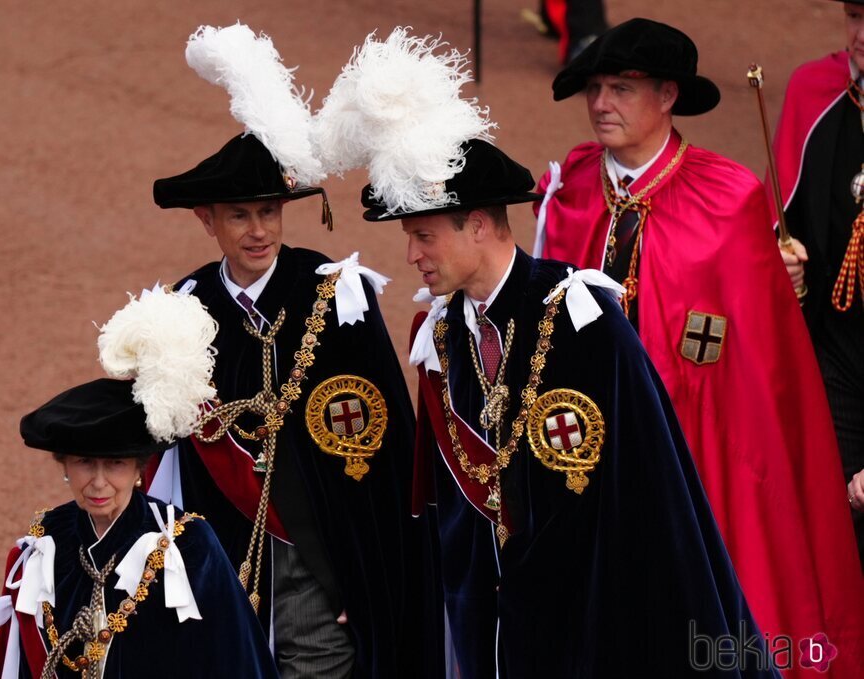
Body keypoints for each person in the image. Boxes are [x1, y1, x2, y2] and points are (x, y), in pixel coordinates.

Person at [318, 26, 781, 678]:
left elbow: (657, 496)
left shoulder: (584, 321)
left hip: (591, 630)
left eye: (423, 235)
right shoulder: (441, 339)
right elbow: (446, 507)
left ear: (478, 224)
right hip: (490, 632)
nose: (412, 256)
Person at [535, 17, 864, 674]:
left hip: (703, 462)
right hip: (585, 455)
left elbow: (769, 378)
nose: (601, 104)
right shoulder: (568, 192)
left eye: (622, 88)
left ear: (668, 96)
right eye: (595, 87)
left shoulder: (729, 199)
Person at [147, 24, 440, 679]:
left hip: (320, 552)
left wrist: (366, 570)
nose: (259, 231)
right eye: (240, 216)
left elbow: (384, 440)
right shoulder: (184, 307)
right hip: (223, 553)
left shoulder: (337, 294)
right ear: (208, 220)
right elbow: (162, 457)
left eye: (270, 212)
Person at [0, 378, 278, 679]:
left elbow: (235, 659)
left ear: (139, 467)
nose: (98, 483)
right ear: (65, 467)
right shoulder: (46, 542)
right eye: (85, 462)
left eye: (115, 464)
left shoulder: (187, 544)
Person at [770, 0, 864, 570]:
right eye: (855, 16)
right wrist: (783, 257)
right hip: (837, 352)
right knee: (833, 525)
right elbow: (779, 217)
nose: (862, 35)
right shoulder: (815, 88)